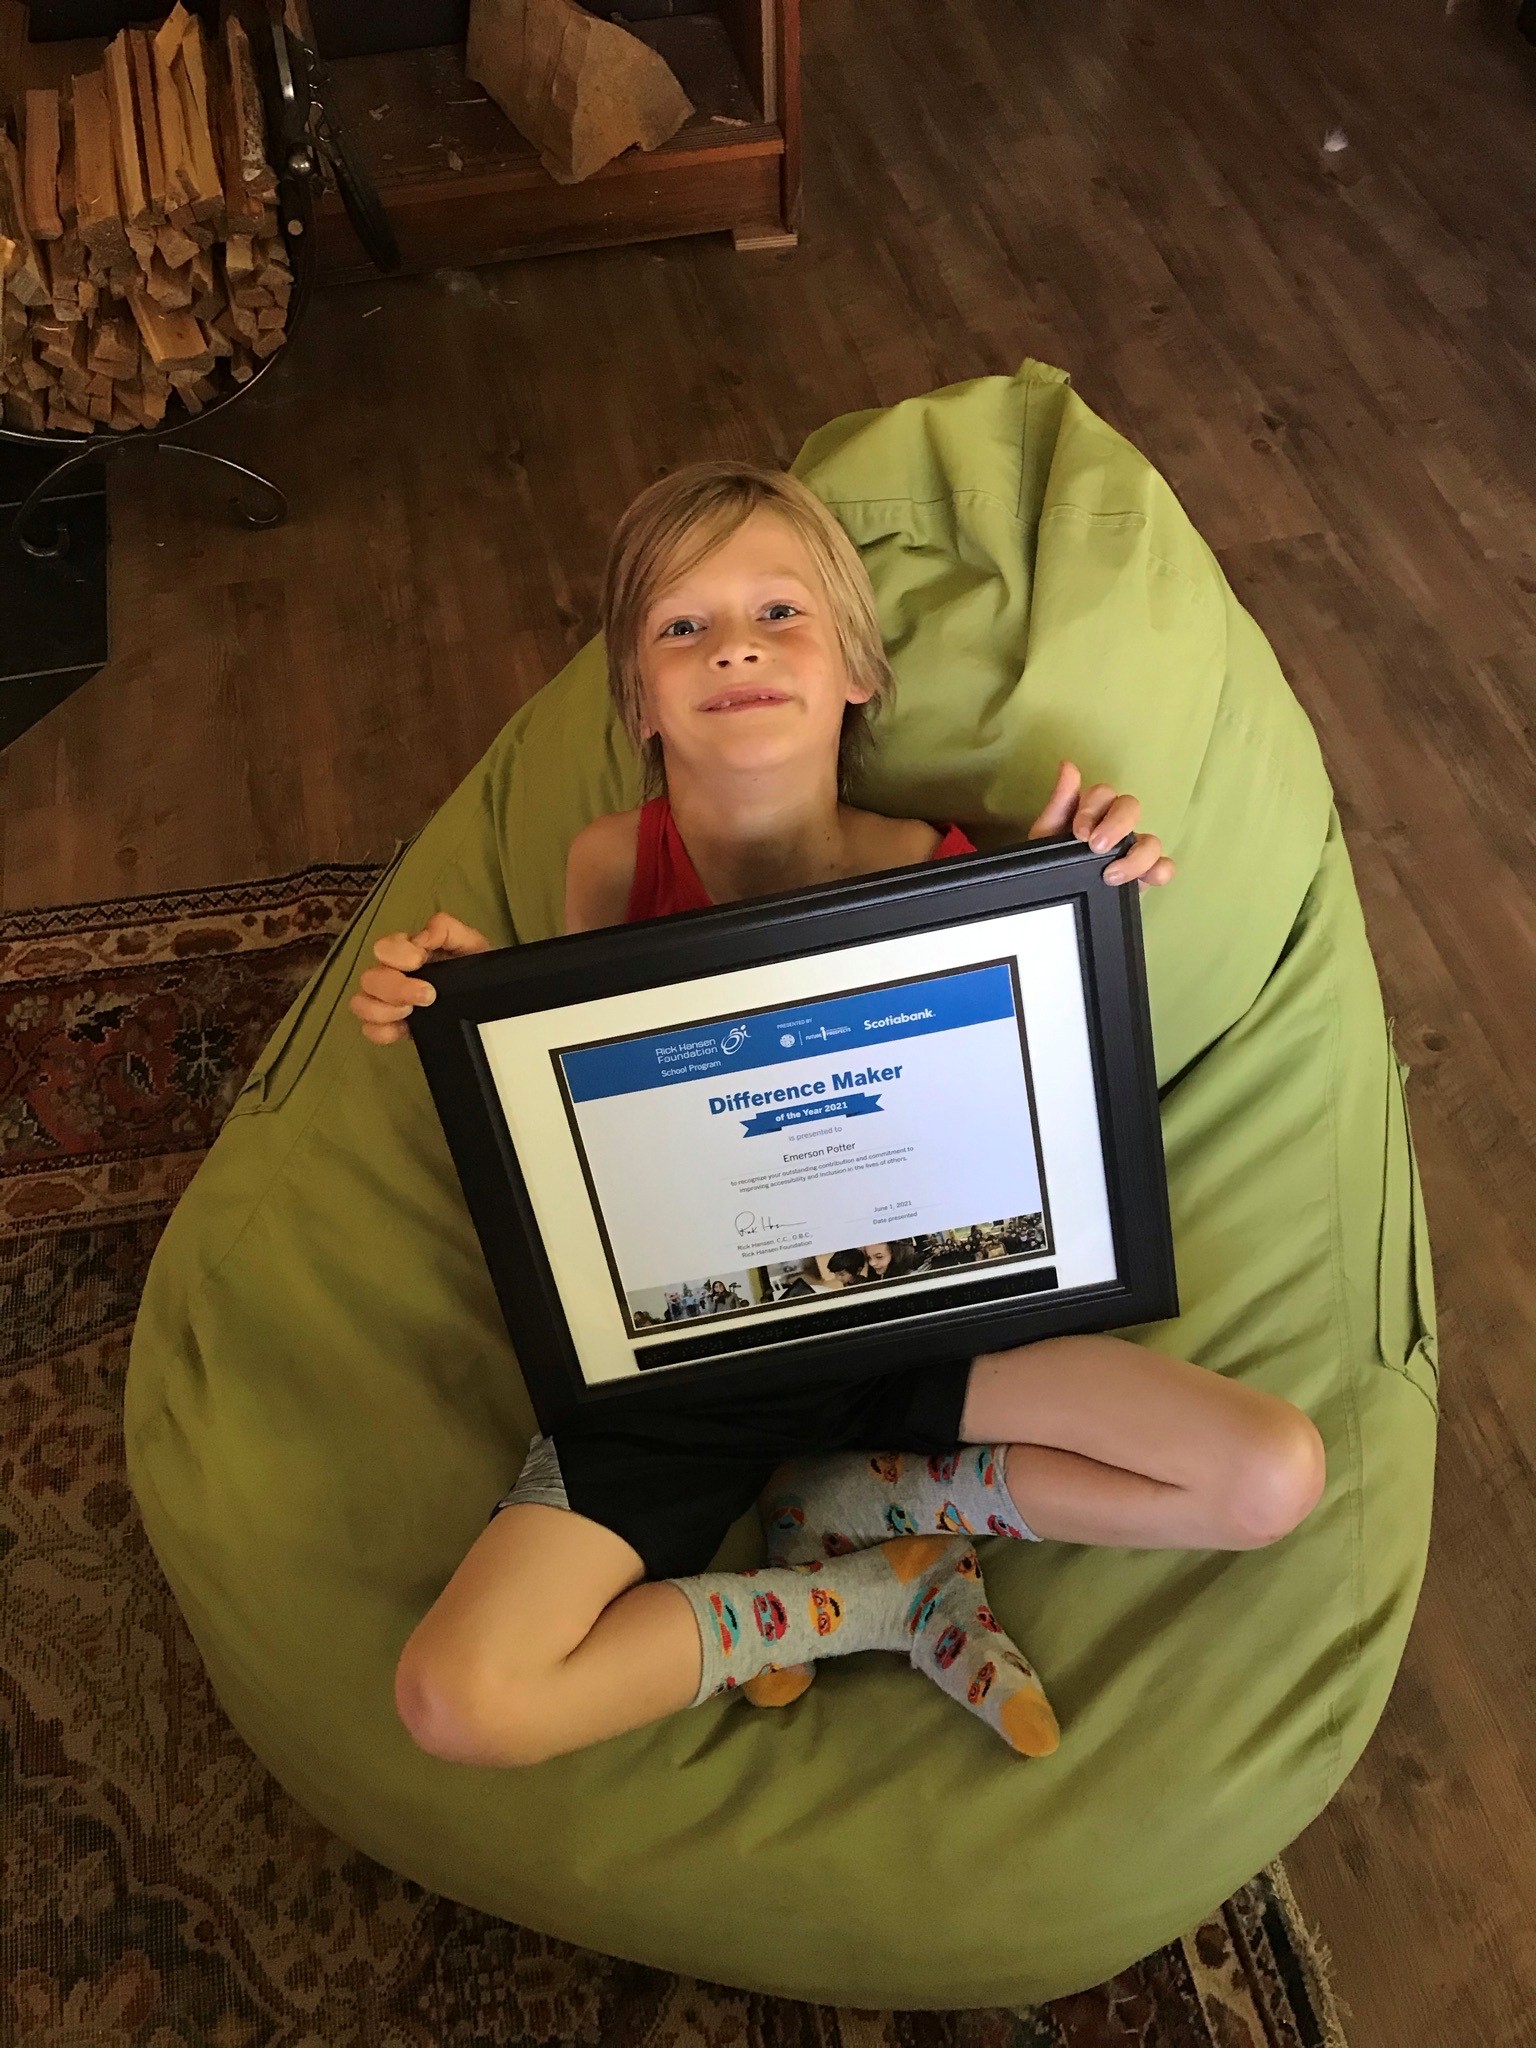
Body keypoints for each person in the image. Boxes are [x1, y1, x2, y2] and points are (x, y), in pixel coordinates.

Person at [349, 460, 1326, 1771]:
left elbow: (1026, 1114)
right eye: (683, 625)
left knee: (1273, 1473)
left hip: (919, 1323)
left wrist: (1083, 903)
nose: (736, 645)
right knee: (458, 1698)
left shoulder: (957, 876)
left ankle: (863, 1499)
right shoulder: (603, 865)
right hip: (687, 1362)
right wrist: (457, 1002)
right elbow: (597, 1133)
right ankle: (863, 1596)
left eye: (781, 614)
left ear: (858, 670)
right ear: (639, 696)